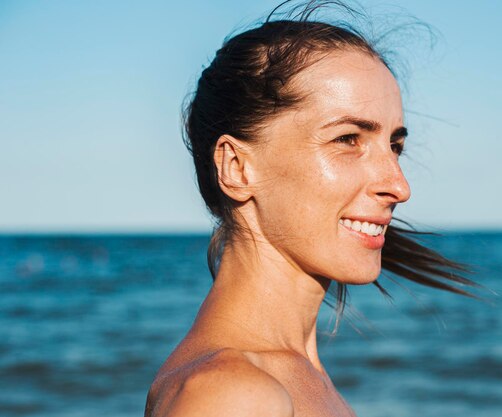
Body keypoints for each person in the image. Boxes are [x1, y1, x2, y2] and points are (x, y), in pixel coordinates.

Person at [144, 2, 474, 416]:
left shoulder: (295, 376)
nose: (398, 186)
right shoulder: (231, 395)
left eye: (395, 146)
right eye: (347, 139)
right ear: (237, 167)